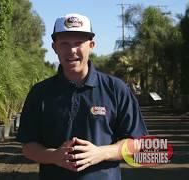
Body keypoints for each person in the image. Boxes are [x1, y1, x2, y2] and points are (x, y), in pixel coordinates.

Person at [16, 13, 148, 180]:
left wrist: (101, 153)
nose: (71, 50)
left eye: (78, 43)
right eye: (64, 43)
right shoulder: (40, 92)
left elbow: (137, 143)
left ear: (91, 45)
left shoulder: (116, 89)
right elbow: (28, 146)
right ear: (54, 47)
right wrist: (55, 156)